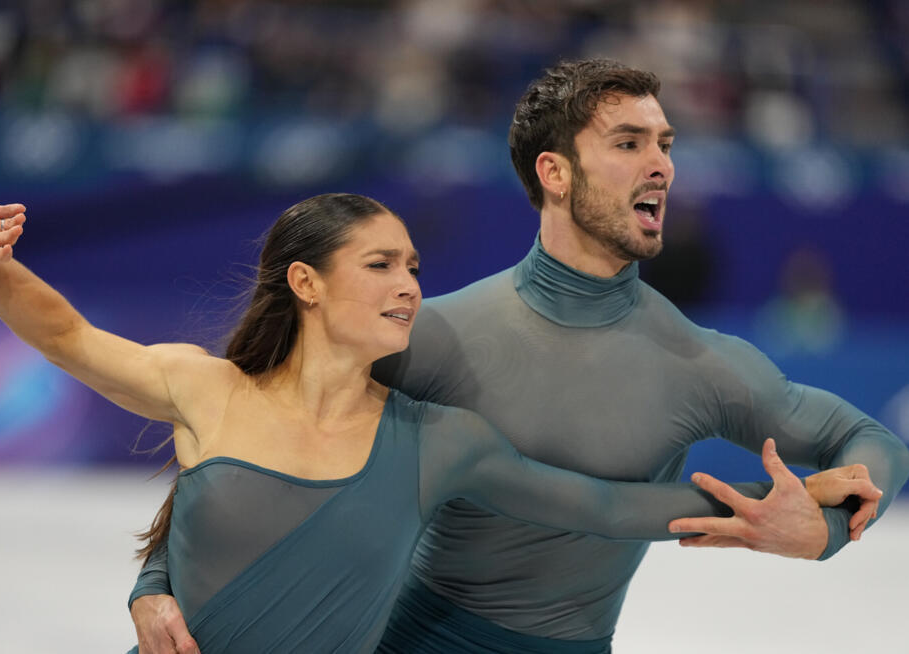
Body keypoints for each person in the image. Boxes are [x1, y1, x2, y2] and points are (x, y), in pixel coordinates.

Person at [119, 59, 909, 654]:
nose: (662, 164)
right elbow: (235, 437)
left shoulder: (701, 363)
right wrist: (153, 586)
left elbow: (877, 444)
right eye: (629, 143)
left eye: (665, 144)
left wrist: (826, 529)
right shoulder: (431, 337)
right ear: (555, 173)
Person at [0, 198, 877, 653]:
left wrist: (783, 508)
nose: (409, 286)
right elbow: (67, 336)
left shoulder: (437, 439)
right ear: (305, 284)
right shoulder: (205, 388)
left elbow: (604, 505)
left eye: (415, 266)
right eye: (381, 266)